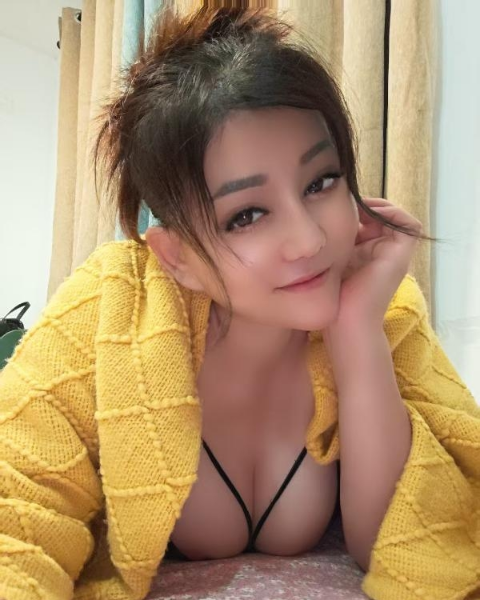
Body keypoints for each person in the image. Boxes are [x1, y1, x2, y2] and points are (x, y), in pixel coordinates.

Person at [1, 5, 479, 600]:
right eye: (246, 215)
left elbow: (410, 541)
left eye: (321, 181)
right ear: (177, 257)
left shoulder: (383, 307)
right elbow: (17, 508)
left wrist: (357, 332)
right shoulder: (109, 307)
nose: (309, 240)